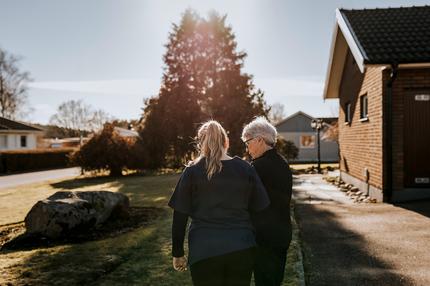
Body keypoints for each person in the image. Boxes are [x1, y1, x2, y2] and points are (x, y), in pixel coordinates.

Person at [168, 120, 270, 286]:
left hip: (204, 250)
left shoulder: (192, 171)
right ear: (226, 142)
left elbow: (180, 214)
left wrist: (177, 252)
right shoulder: (245, 169)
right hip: (241, 248)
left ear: (201, 143)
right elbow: (260, 210)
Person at [241, 117, 293, 286]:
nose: (247, 148)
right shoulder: (283, 163)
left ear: (259, 140)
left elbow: (245, 202)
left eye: (247, 142)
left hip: (264, 239)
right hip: (282, 234)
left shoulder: (256, 167)